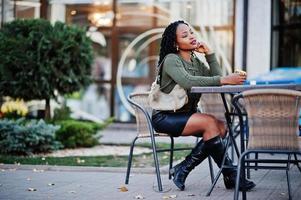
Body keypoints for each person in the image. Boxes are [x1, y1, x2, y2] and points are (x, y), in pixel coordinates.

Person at [151, 20, 256, 191]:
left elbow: (216, 79)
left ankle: (185, 169)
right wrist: (224, 79)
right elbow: (188, 81)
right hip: (166, 117)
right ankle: (230, 174)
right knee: (210, 123)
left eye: (191, 32)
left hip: (187, 115)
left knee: (221, 128)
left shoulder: (195, 61)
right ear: (175, 43)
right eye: (185, 35)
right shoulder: (171, 59)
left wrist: (210, 54)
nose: (191, 36)